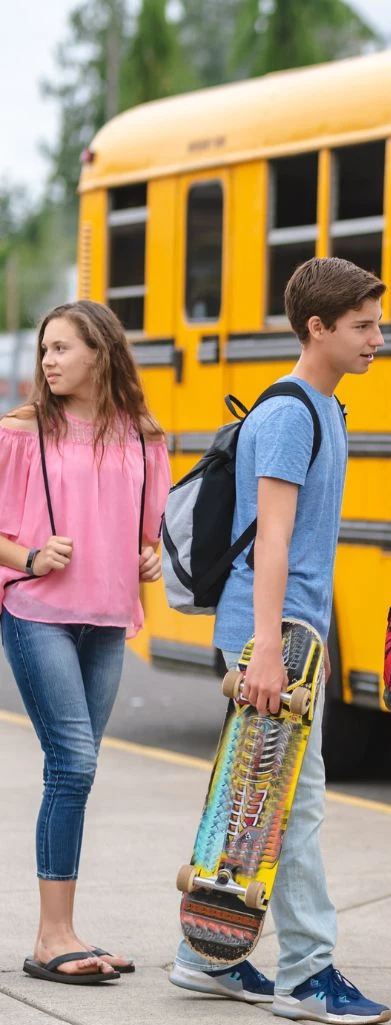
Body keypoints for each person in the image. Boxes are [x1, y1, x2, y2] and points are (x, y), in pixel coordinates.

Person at [167, 257, 391, 1024]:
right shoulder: (293, 413)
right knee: (296, 805)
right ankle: (306, 972)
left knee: (254, 801)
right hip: (276, 637)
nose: (377, 338)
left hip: (291, 632)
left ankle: (205, 957)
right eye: (362, 325)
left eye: (377, 323)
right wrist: (267, 649)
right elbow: (272, 539)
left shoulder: (328, 407)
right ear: (317, 328)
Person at [1, 301, 170, 984]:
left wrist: (150, 554)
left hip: (105, 617)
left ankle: (64, 927)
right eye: (44, 348)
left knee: (77, 770)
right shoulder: (19, 432)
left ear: (101, 352)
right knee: (72, 764)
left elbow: (148, 531)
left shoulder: (143, 436)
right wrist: (31, 555)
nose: (48, 360)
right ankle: (51, 936)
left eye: (62, 348)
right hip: (38, 610)